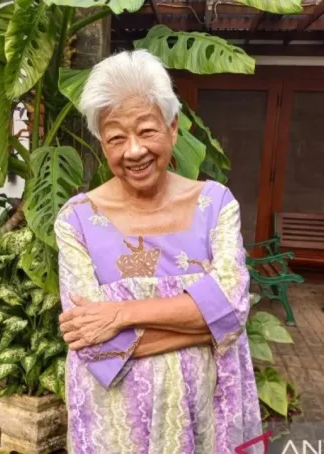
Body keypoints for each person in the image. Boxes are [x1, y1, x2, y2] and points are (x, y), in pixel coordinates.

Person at [54, 49, 262, 453]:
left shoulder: (215, 205)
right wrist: (205, 325)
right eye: (116, 138)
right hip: (118, 424)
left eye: (146, 131)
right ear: (102, 143)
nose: (133, 151)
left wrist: (120, 314)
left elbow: (234, 307)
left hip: (210, 411)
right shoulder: (77, 220)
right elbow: (93, 344)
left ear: (172, 128)